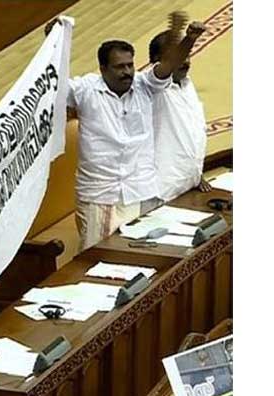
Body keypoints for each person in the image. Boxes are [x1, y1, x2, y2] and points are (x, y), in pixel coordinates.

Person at [45, 14, 194, 251]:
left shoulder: (145, 86)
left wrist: (189, 38)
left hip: (142, 191)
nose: (127, 72)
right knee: (99, 262)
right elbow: (54, 84)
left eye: (130, 65)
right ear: (103, 69)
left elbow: (168, 66)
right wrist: (53, 44)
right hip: (100, 198)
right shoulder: (85, 90)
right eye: (119, 67)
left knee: (151, 263)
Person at [148, 22, 213, 203]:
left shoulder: (186, 83)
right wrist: (190, 39)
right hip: (161, 193)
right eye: (178, 56)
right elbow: (161, 74)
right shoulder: (152, 87)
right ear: (156, 60)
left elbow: (190, 132)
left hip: (187, 184)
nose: (185, 61)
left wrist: (195, 173)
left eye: (187, 55)